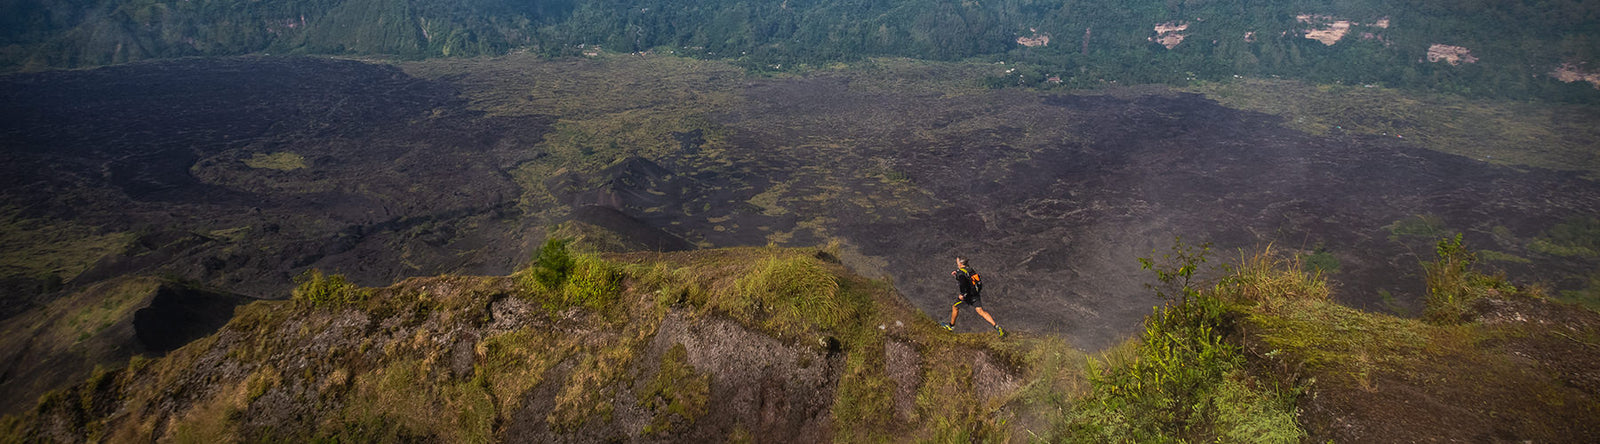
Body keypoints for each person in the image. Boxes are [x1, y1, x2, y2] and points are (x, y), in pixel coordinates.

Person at [940, 257, 1003, 337]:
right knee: (981, 311)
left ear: (960, 263)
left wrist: (963, 295)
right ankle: (997, 326)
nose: (957, 262)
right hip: (975, 294)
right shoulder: (970, 269)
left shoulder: (961, 273)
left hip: (968, 296)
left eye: (957, 261)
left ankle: (951, 326)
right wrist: (957, 275)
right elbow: (969, 279)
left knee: (955, 307)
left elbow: (963, 284)